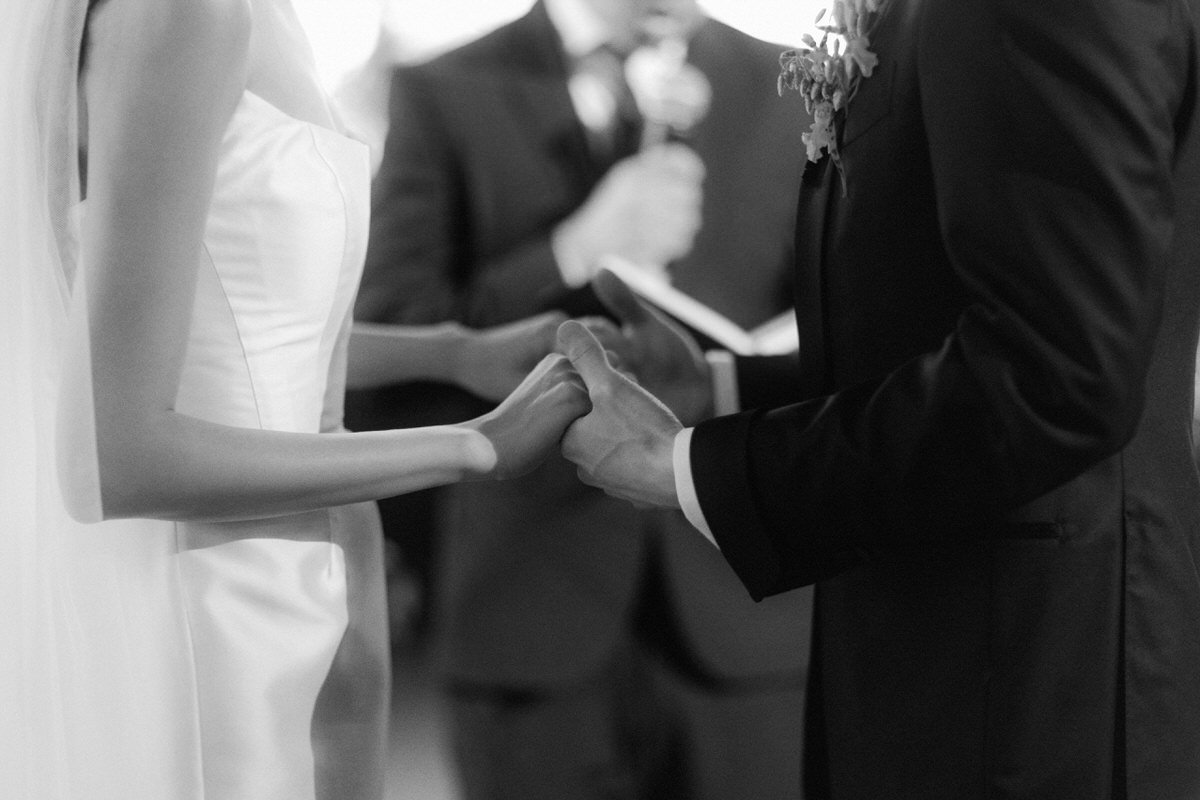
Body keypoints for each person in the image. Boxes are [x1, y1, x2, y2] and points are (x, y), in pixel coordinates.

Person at [556, 0, 1200, 797]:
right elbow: (942, 330)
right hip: (943, 654)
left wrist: (697, 468)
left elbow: (1057, 374)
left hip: (1028, 686)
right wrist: (723, 389)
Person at [0, 1, 594, 798]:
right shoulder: (182, 15)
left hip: (316, 577)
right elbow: (110, 458)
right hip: (229, 608)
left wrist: (455, 352)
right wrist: (471, 444)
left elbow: (246, 325)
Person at [352, 0, 813, 797]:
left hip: (748, 619)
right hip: (528, 614)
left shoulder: (793, 86)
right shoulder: (445, 87)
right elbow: (393, 341)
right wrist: (576, 245)